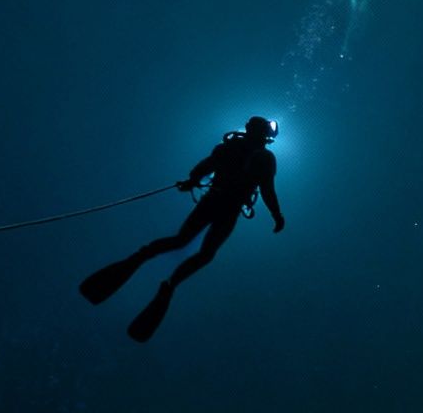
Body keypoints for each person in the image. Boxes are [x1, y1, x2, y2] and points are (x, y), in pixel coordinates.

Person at [80, 116, 285, 341]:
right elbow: (267, 190)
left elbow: (204, 167)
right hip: (228, 209)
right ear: (265, 134)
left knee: (181, 241)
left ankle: (141, 258)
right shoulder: (264, 157)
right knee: (205, 254)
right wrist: (277, 215)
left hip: (212, 201)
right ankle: (169, 284)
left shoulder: (229, 147)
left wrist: (192, 180)